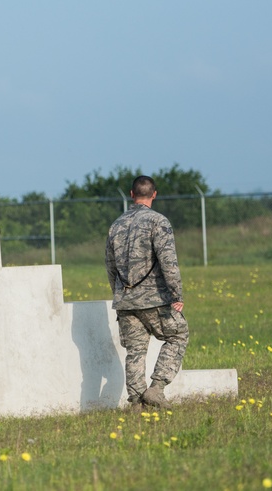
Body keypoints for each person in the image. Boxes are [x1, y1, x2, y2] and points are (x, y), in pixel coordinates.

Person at [105, 175, 189, 408]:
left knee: (135, 351)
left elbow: (110, 266)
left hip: (125, 301)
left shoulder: (116, 225)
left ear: (132, 195)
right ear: (154, 194)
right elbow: (168, 262)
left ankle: (135, 403)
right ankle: (157, 388)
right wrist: (177, 296)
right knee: (177, 336)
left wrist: (120, 294)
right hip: (156, 300)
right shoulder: (158, 222)